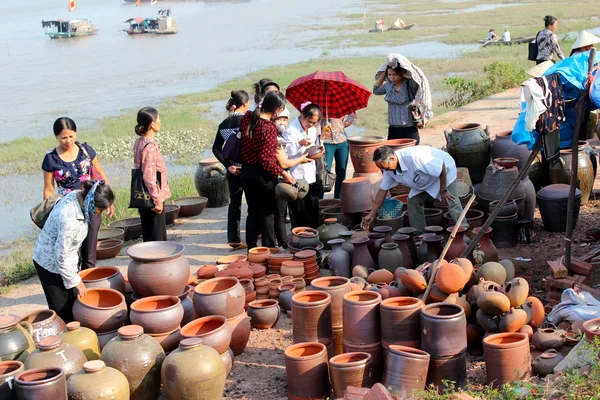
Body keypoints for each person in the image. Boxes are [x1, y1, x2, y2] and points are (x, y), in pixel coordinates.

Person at [33, 180, 115, 322]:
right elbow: (61, 257)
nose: (99, 213)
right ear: (91, 202)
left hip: (66, 262)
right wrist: (76, 281)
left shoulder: (80, 196)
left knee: (74, 303)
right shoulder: (69, 218)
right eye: (99, 210)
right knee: (63, 313)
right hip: (50, 264)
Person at [42, 117, 113, 270]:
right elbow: (48, 189)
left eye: (71, 136)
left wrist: (108, 200)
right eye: (63, 137)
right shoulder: (50, 159)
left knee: (89, 252)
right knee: (71, 252)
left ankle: (88, 283)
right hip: (68, 211)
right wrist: (49, 215)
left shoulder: (86, 151)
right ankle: (73, 285)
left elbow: (99, 175)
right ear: (56, 136)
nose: (68, 140)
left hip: (92, 206)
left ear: (76, 133)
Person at [362, 146, 469, 235]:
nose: (386, 171)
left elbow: (441, 167)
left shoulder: (413, 158)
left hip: (445, 169)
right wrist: (371, 215)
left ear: (393, 158)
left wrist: (444, 190)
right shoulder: (388, 169)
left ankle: (464, 230)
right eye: (383, 169)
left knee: (450, 199)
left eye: (387, 167)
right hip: (425, 179)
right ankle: (420, 235)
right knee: (413, 201)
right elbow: (382, 191)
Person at [240, 91, 295, 249]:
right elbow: (266, 161)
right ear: (277, 110)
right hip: (262, 176)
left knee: (252, 212)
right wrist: (284, 173)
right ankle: (269, 249)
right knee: (267, 215)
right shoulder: (269, 128)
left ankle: (252, 249)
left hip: (246, 173)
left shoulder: (248, 118)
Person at [212, 90, 251, 250]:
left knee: (234, 204)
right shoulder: (248, 122)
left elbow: (216, 149)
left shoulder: (223, 124)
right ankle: (254, 236)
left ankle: (234, 239)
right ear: (245, 104)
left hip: (231, 169)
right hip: (248, 167)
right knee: (253, 203)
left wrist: (228, 165)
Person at [273, 108, 312, 247]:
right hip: (280, 175)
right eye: (279, 119)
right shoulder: (278, 137)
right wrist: (300, 158)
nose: (282, 122)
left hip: (287, 174)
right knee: (280, 214)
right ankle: (283, 243)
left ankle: (291, 239)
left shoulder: (282, 135)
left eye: (285, 119)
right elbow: (284, 161)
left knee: (287, 210)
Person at [133, 107, 171, 242]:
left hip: (142, 195)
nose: (160, 121)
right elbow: (149, 177)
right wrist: (157, 200)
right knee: (157, 237)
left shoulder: (139, 142)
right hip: (153, 196)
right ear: (152, 124)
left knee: (148, 233)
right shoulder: (149, 146)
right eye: (158, 119)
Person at [284, 102, 323, 229]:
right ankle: (299, 235)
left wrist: (321, 141)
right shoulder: (291, 129)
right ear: (302, 115)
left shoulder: (312, 129)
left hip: (310, 173)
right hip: (296, 174)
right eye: (309, 121)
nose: (311, 124)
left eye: (314, 122)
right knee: (298, 208)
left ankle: (313, 233)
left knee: (312, 206)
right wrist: (300, 143)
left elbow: (314, 148)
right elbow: (287, 153)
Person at [374, 64, 422, 143]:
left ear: (401, 74)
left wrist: (405, 72)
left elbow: (416, 82)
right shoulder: (388, 86)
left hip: (408, 128)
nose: (392, 77)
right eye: (389, 75)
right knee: (393, 154)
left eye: (395, 74)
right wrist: (383, 74)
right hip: (393, 128)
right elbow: (376, 90)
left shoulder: (409, 85)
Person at [321, 113, 355, 198]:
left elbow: (352, 114)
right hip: (326, 142)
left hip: (342, 141)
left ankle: (338, 198)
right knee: (324, 171)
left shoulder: (340, 103)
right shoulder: (322, 104)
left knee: (341, 171)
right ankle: (319, 199)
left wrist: (343, 124)